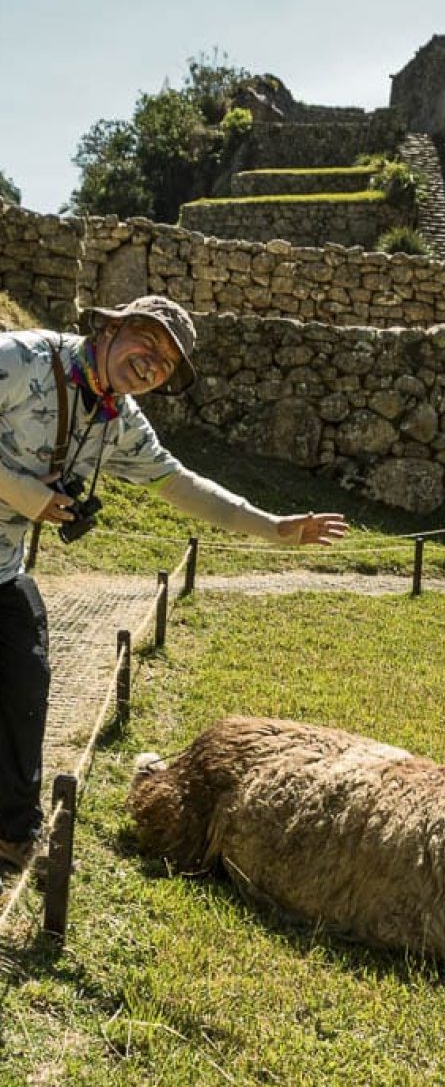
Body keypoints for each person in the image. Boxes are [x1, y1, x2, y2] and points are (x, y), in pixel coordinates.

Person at [0, 295, 348, 884]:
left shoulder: (118, 422)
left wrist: (274, 528)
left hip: (2, 566)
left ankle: (12, 833)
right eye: (147, 341)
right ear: (110, 329)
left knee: (26, 676)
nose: (153, 363)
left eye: (167, 363)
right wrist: (26, 495)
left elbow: (183, 486)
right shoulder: (19, 360)